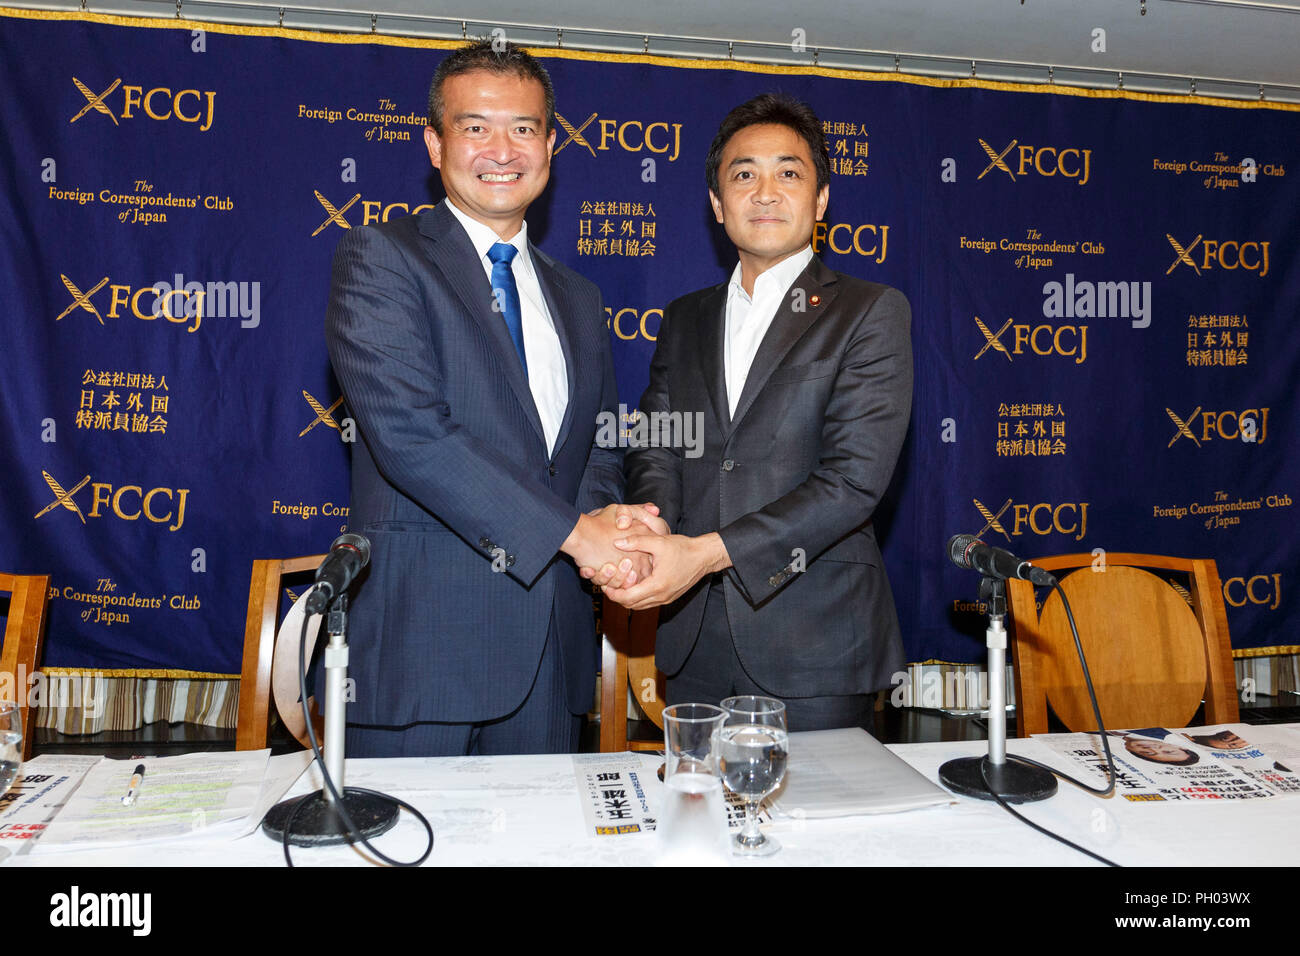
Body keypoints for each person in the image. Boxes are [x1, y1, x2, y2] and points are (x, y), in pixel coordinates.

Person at [325, 40, 655, 757]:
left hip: (549, 653)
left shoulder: (579, 296)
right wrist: (578, 536)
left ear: (552, 144)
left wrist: (607, 522)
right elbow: (414, 437)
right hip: (424, 650)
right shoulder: (382, 257)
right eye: (476, 127)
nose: (502, 149)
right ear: (435, 144)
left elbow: (597, 441)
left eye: (524, 128)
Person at [602, 93, 914, 732]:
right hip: (693, 637)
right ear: (718, 205)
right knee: (705, 823)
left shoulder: (869, 312)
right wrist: (653, 530)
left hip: (816, 640)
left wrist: (709, 552)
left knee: (820, 832)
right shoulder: (686, 318)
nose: (765, 192)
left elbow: (853, 482)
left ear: (821, 200)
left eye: (789, 173)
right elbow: (659, 442)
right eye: (744, 174)